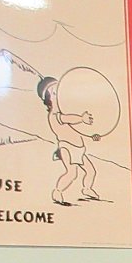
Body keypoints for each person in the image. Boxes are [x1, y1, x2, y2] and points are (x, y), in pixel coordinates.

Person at [38, 76, 100, 205]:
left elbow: (75, 129)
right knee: (72, 173)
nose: (58, 94)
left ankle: (87, 189)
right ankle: (57, 191)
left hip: (79, 148)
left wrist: (92, 136)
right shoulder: (54, 115)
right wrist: (81, 118)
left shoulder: (63, 110)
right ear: (48, 99)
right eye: (54, 93)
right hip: (67, 148)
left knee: (91, 170)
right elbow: (67, 119)